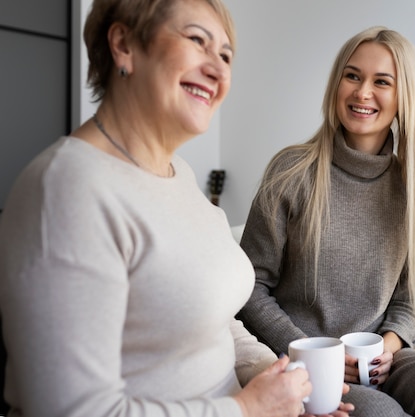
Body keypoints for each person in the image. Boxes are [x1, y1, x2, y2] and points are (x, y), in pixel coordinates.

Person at [0, 1, 354, 417]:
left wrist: (278, 379)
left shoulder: (181, 175)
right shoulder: (66, 187)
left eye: (225, 55)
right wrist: (247, 409)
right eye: (197, 41)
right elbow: (73, 411)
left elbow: (214, 321)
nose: (219, 70)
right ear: (124, 44)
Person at [237, 26, 415, 417]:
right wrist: (310, 353)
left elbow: (413, 294)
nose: (362, 92)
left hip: (379, 357)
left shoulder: (411, 186)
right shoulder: (291, 172)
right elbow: (250, 287)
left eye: (382, 82)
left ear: (403, 98)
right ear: (337, 84)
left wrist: (390, 346)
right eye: (352, 76)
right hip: (310, 361)